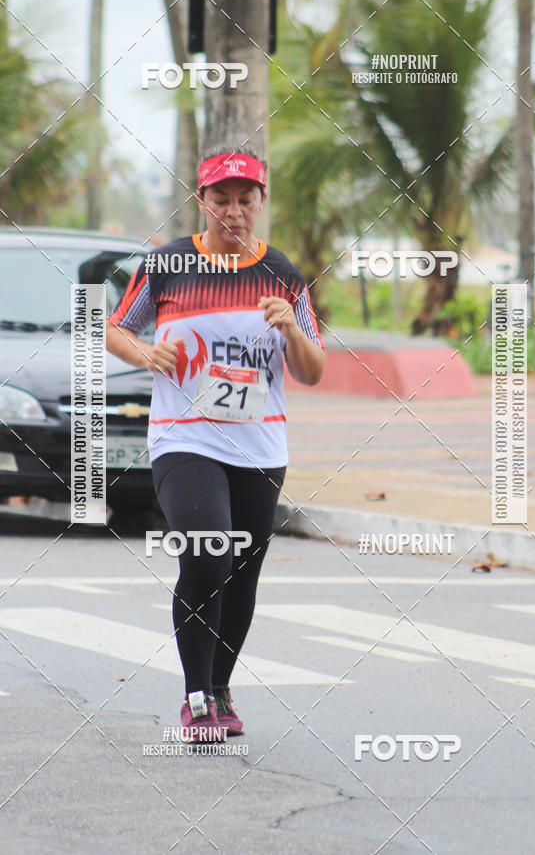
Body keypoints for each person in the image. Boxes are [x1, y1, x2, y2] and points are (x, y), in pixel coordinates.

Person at [106, 145, 326, 738]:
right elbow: (116, 328)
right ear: (201, 201)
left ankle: (222, 687)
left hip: (261, 447)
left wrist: (291, 329)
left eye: (245, 199)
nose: (233, 211)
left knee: (242, 575)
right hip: (185, 440)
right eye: (221, 199)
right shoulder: (168, 265)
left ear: (261, 202)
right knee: (208, 556)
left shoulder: (282, 275)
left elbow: (312, 370)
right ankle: (197, 696)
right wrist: (146, 352)